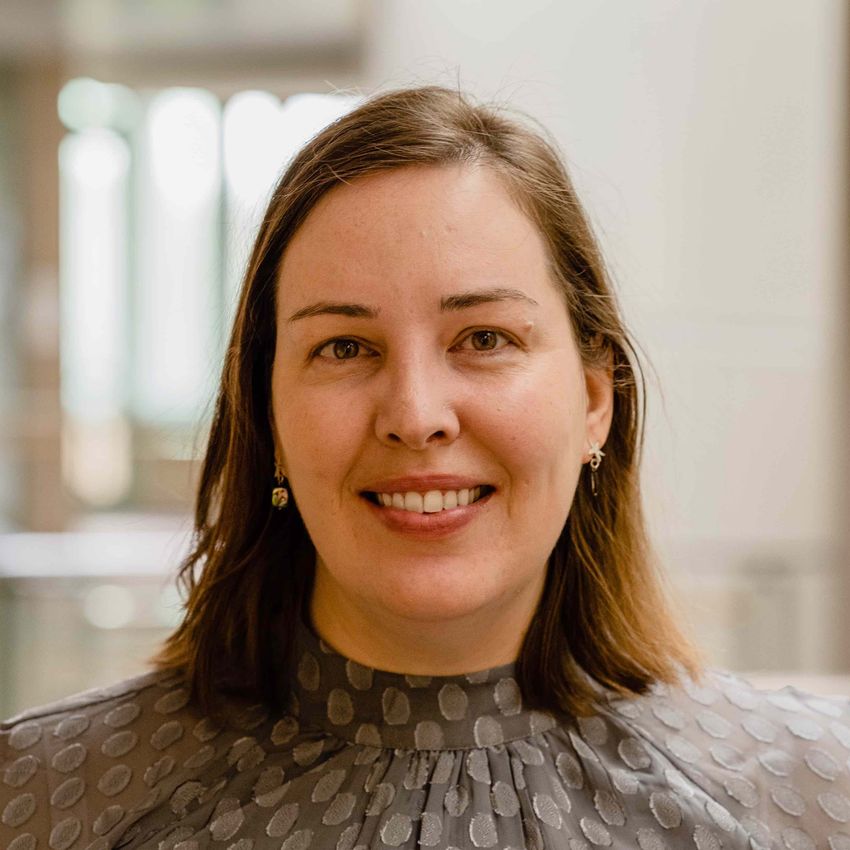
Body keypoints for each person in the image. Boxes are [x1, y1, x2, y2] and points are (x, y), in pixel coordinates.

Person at [1, 86, 848, 850]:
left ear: (595, 400)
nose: (414, 415)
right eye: (344, 347)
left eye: (484, 339)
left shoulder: (810, 802)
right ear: (268, 415)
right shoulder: (44, 801)